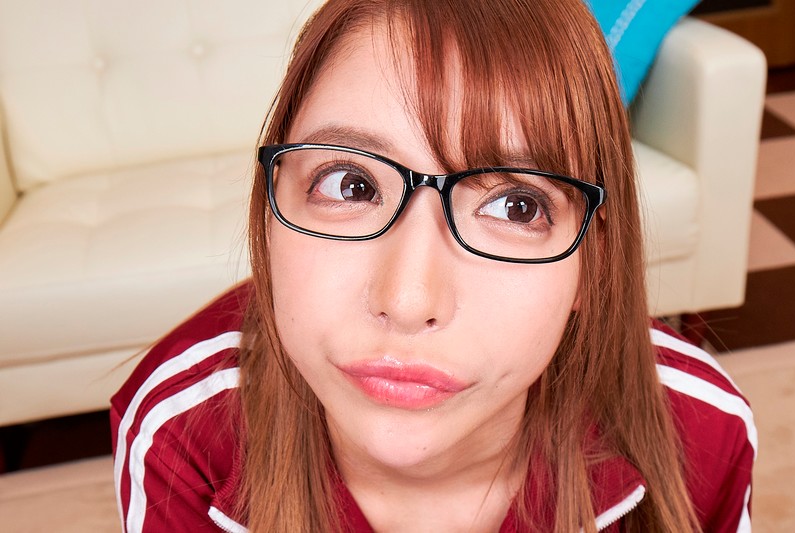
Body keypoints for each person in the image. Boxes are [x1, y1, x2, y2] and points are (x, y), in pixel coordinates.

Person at [111, 0, 756, 531]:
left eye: (516, 206)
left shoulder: (704, 431)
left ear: (595, 261)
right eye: (350, 185)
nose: (408, 299)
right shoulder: (183, 431)